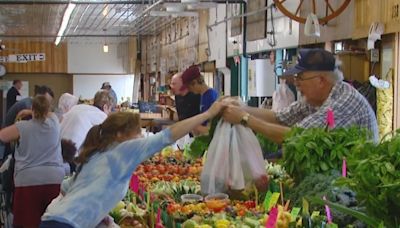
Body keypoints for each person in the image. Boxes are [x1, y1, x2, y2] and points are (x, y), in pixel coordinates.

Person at [40, 102, 224, 228]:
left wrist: (101, 217)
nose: (141, 138)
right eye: (138, 133)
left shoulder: (97, 153)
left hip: (52, 220)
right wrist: (208, 114)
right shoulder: (124, 150)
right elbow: (168, 136)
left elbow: (67, 190)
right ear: (121, 135)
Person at [221, 49, 379, 144]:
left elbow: (296, 137)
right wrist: (239, 106)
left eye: (300, 78)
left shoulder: (342, 103)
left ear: (321, 80)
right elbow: (278, 117)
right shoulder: (315, 99)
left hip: (355, 187)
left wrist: (245, 118)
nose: (296, 83)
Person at [0, 95, 65, 228]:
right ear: (48, 110)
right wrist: (32, 112)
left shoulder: (22, 127)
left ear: (32, 108)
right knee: (52, 221)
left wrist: (25, 114)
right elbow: (51, 114)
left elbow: (2, 136)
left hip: (27, 181)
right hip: (55, 179)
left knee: (28, 223)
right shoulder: (54, 123)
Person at [181, 65, 218, 135]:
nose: (189, 90)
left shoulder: (210, 97)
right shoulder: (202, 96)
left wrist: (193, 126)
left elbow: (213, 129)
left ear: (195, 82)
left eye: (189, 87)